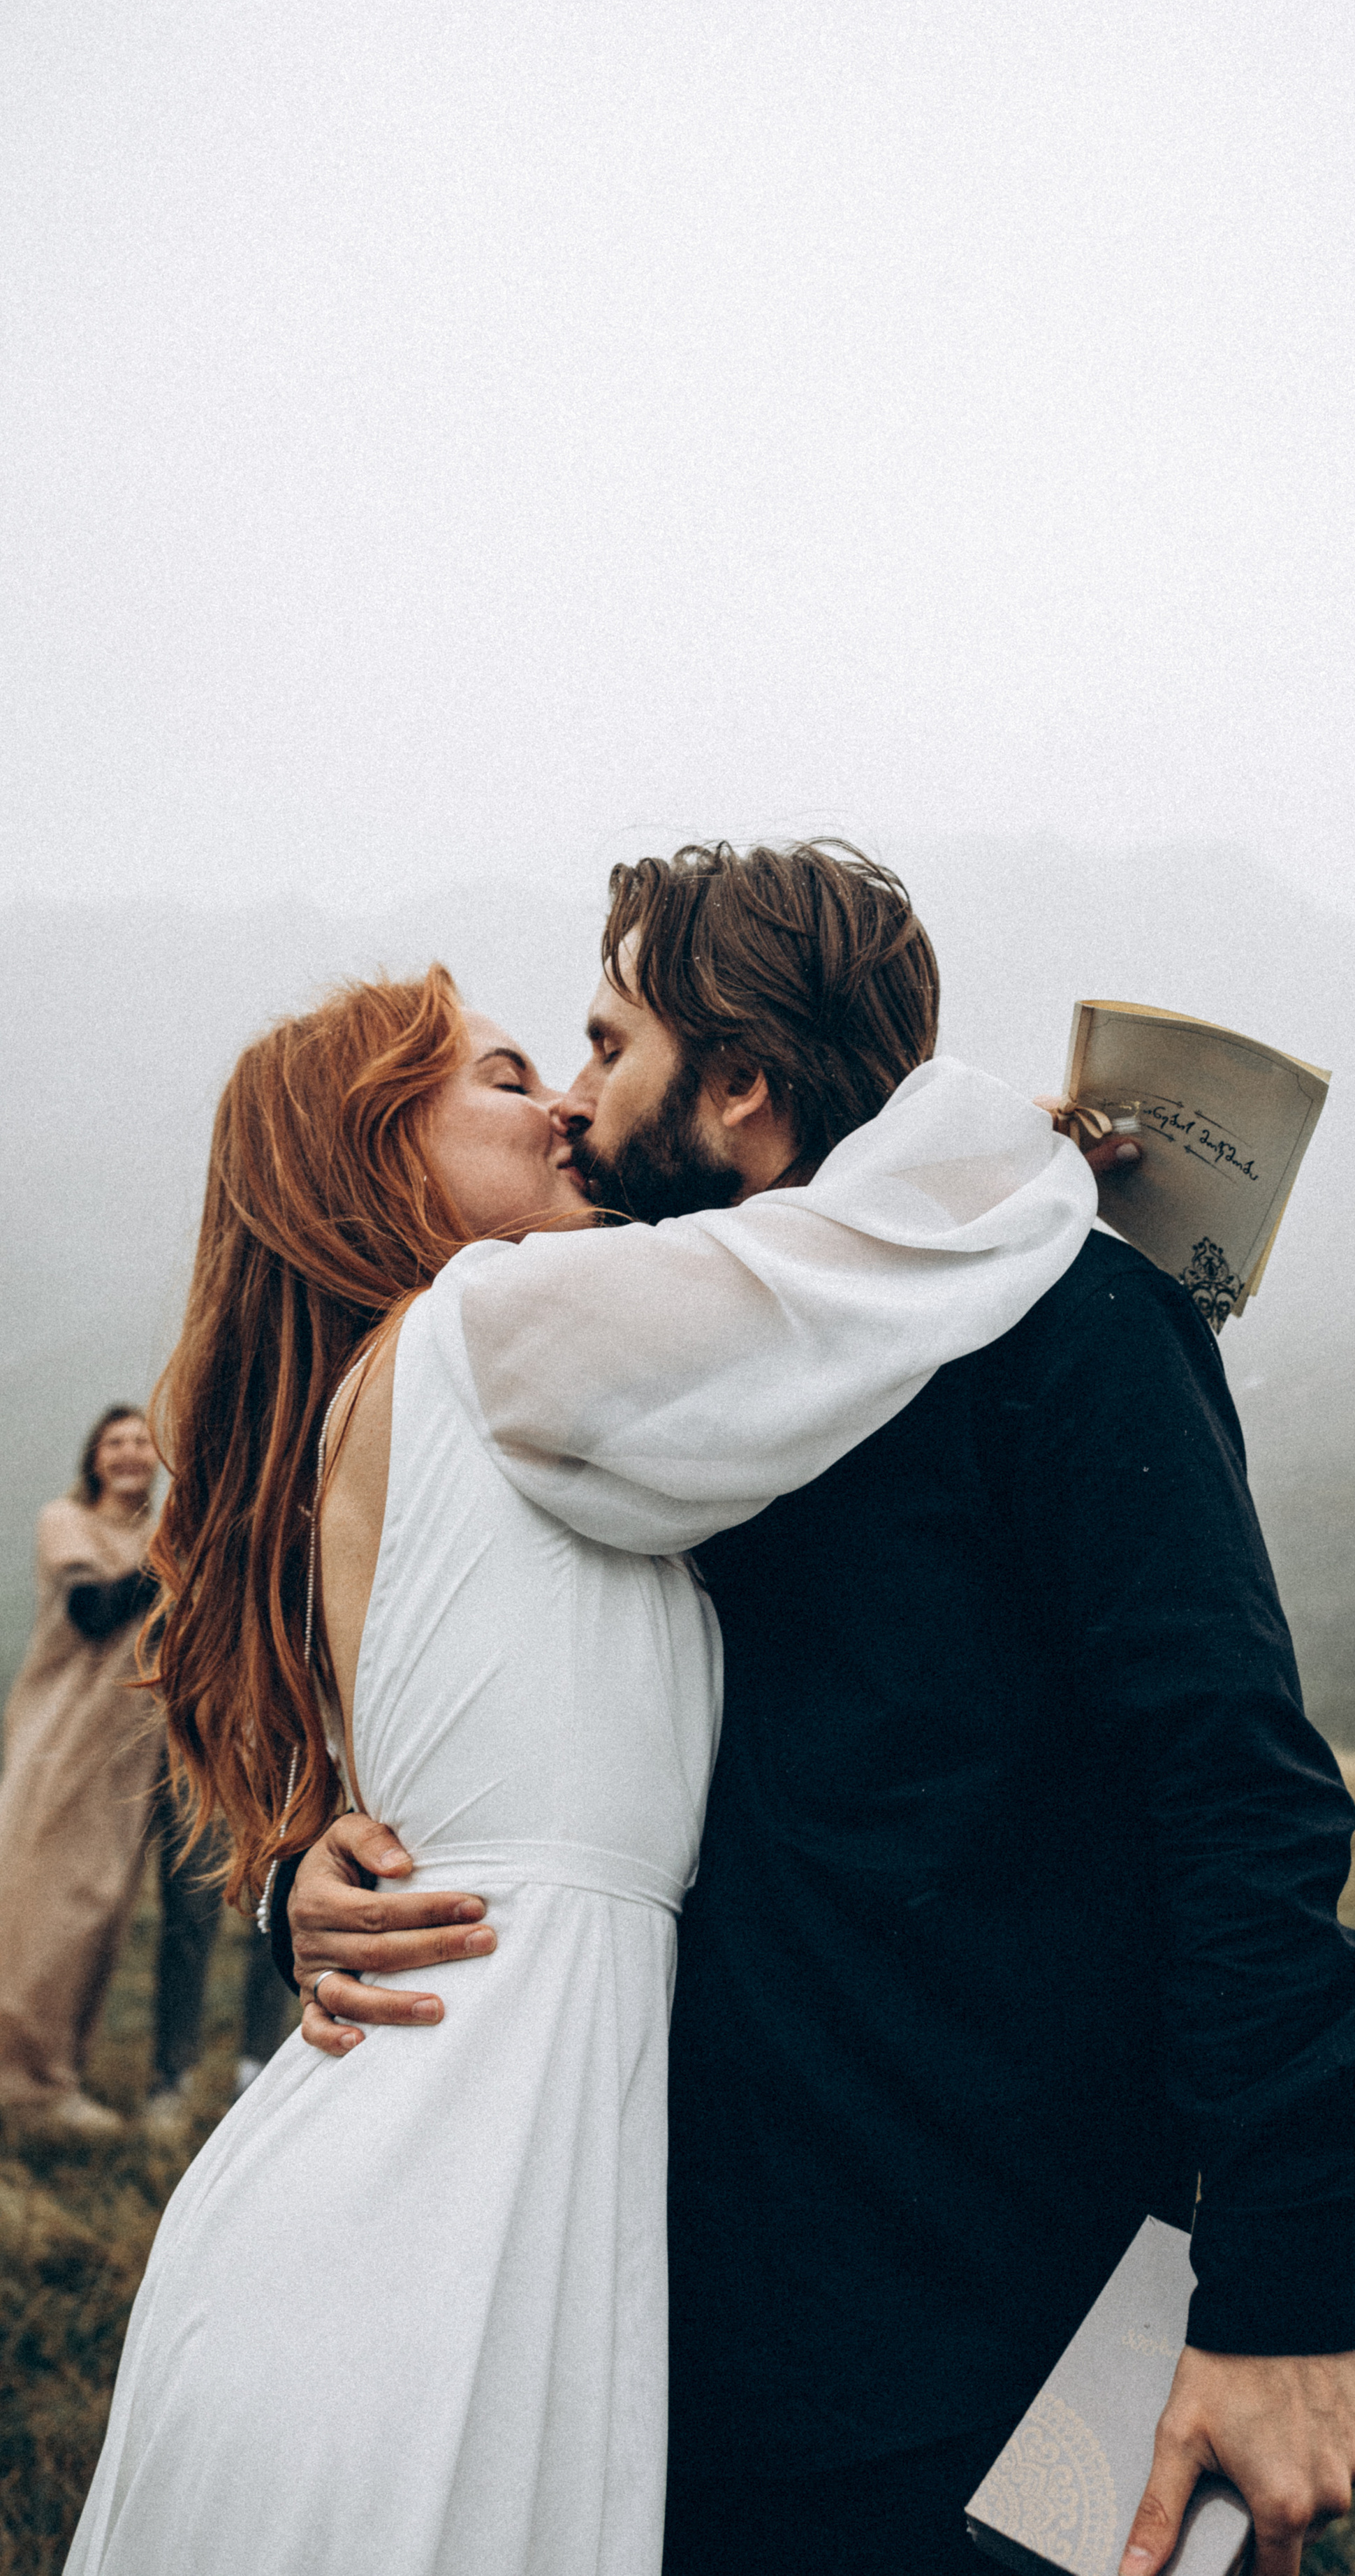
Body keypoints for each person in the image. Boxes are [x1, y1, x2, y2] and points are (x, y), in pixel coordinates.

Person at [285, 841, 1355, 2576]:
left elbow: (1236, 1785)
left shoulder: (1076, 1326)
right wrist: (342, 1856)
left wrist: (1281, 2281)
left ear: (738, 1080)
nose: (578, 1107)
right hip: (734, 2323)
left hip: (1051, 2282)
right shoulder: (658, 1398)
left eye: (611, 1047)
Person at [65, 952, 1091, 2576]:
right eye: (499, 1074)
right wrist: (1026, 1148)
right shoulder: (486, 1324)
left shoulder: (428, 1381)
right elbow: (835, 1277)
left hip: (453, 2135)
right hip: (447, 2179)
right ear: (372, 1148)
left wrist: (306, 1871)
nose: (559, 1105)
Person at [0, 1407, 164, 2133]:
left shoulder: (157, 1538)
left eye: (143, 1442)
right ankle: (23, 2086)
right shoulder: (65, 1521)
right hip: (58, 1742)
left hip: (126, 1759)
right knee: (41, 1906)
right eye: (116, 1441)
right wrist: (176, 1551)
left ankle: (56, 2076)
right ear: (95, 1456)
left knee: (98, 1912)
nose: (130, 1453)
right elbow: (95, 1611)